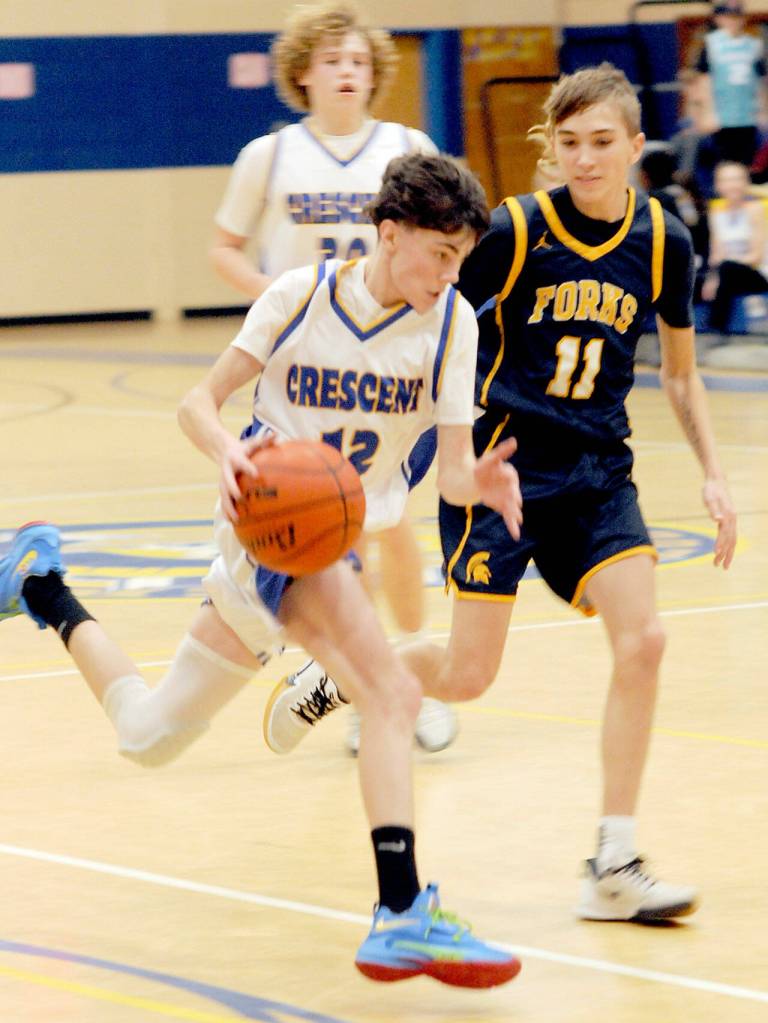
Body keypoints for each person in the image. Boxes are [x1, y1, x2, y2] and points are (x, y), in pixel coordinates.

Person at [0, 153, 523, 987]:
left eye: (460, 259)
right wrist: (227, 453)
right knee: (390, 689)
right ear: (389, 234)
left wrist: (480, 483)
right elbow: (195, 404)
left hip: (324, 544)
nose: (449, 274)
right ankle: (401, 910)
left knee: (149, 736)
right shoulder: (299, 298)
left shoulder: (453, 326)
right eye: (439, 254)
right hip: (276, 534)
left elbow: (452, 470)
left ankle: (39, 583)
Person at [265, 64, 738, 924]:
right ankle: (344, 682)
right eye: (569, 144)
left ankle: (614, 859)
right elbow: (427, 309)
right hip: (500, 468)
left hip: (598, 473)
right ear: (550, 149)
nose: (586, 160)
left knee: (647, 641)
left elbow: (678, 373)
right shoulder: (516, 231)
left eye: (603, 144)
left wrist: (713, 471)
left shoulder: (664, 240)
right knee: (469, 674)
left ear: (637, 146)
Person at [210, 0, 456, 755]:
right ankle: (363, 692)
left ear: (375, 72)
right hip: (304, 373)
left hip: (393, 361)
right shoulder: (270, 155)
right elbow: (223, 247)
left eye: (359, 60)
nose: (348, 71)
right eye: (333, 59)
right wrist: (283, 305)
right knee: (333, 537)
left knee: (394, 519)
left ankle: (404, 684)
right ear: (303, 72)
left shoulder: (406, 144)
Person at [701, 159, 768, 341]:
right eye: (726, 180)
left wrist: (722, 269)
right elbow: (716, 254)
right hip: (727, 272)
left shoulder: (756, 209)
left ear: (746, 182)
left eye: (737, 179)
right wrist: (712, 278)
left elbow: (756, 256)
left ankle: (715, 330)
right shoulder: (716, 213)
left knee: (728, 268)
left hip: (756, 273)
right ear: (717, 184)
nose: (732, 185)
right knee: (692, 277)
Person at [696, 0, 767, 169]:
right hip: (722, 115)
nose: (733, 21)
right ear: (718, 19)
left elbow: (760, 80)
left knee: (750, 160)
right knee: (725, 160)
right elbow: (703, 79)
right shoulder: (711, 44)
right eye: (728, 17)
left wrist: (763, 111)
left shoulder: (753, 45)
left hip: (747, 114)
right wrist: (707, 112)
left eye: (737, 17)